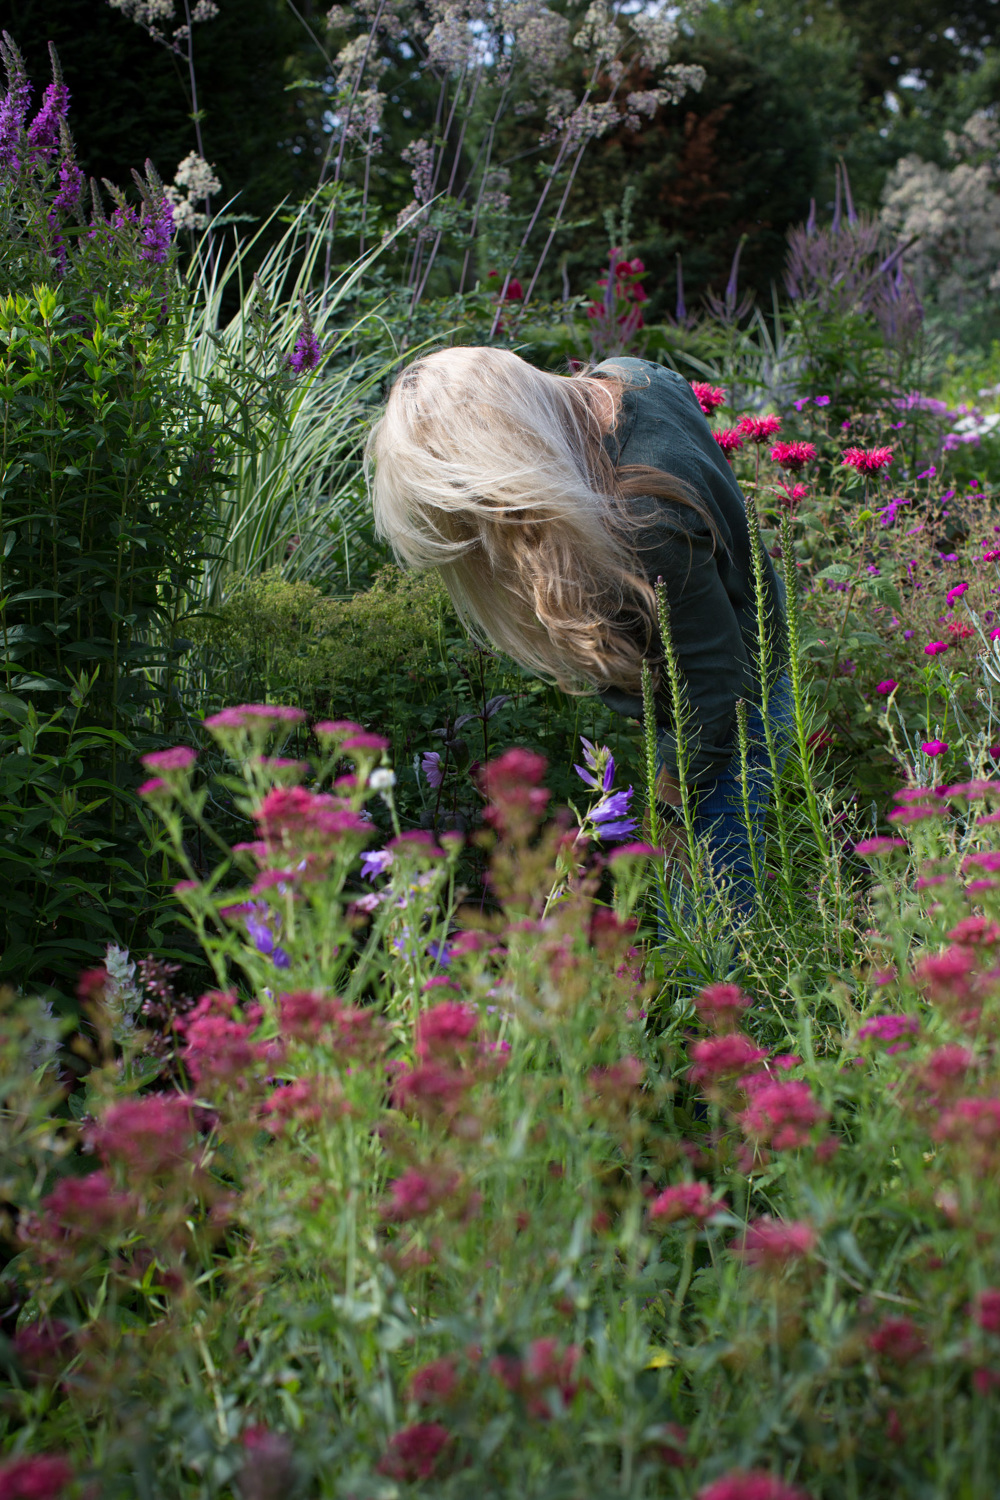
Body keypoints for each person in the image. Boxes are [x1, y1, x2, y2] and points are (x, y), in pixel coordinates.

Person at [366, 347, 793, 916]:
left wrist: (670, 807)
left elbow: (713, 696)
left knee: (710, 927)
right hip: (747, 652)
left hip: (730, 723)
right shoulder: (636, 377)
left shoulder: (644, 516)